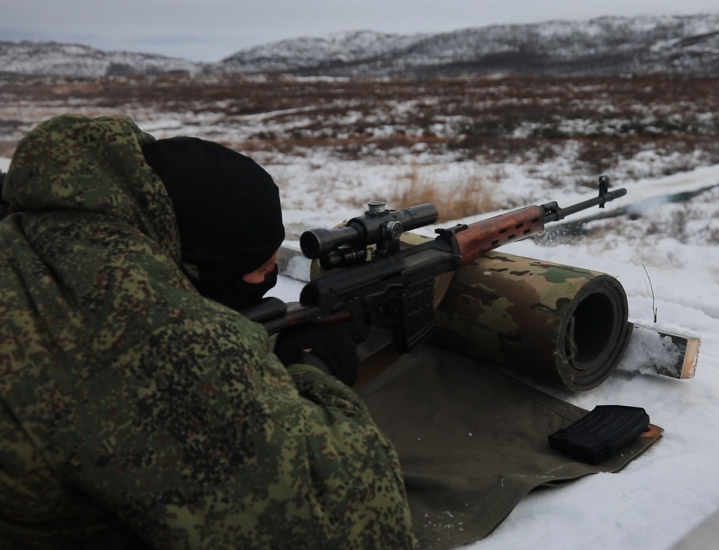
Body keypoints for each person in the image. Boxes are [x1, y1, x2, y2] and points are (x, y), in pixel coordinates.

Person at [0, 114, 414, 549]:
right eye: (259, 268)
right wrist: (317, 369)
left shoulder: (39, 226)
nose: (272, 274)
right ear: (193, 265)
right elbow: (355, 518)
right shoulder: (163, 338)